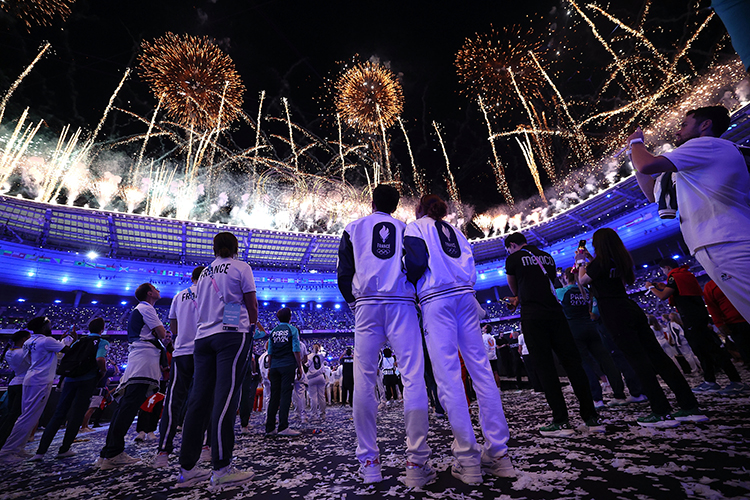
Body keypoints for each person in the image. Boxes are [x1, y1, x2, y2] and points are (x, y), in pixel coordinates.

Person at [405, 193, 513, 485]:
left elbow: (415, 262)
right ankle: (500, 455)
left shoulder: (416, 227)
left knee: (449, 377)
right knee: (482, 372)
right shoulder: (456, 231)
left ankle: (468, 460)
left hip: (436, 300)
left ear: (419, 210)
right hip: (466, 297)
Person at [338, 184, 435, 488]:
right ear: (396, 206)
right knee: (413, 378)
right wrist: (404, 279)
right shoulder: (406, 228)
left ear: (372, 202)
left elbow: (343, 273)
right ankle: (416, 463)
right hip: (401, 304)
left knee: (364, 381)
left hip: (366, 305)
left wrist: (355, 301)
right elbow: (420, 262)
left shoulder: (353, 228)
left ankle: (369, 463)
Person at [629, 106, 750, 323]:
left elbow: (647, 165)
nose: (678, 132)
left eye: (684, 125)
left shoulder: (707, 144)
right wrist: (634, 155)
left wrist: (636, 143)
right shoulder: (694, 165)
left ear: (706, 125)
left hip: (726, 241)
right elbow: (651, 191)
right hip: (721, 242)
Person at [577, 228, 706, 427]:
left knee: (638, 362)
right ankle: (688, 404)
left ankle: (660, 410)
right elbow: (603, 272)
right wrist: (590, 258)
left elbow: (583, 280)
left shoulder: (599, 263)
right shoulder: (618, 259)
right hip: (629, 307)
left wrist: (580, 261)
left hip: (613, 311)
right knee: (658, 357)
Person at [178, 232, 258, 488]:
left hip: (203, 338)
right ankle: (222, 467)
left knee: (198, 400)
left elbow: (202, 307)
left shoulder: (204, 274)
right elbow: (251, 303)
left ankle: (187, 468)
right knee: (226, 397)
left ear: (214, 248)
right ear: (235, 247)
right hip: (231, 336)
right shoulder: (241, 267)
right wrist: (252, 324)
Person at [503, 232, 601, 437]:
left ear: (512, 245)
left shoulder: (512, 258)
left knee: (545, 367)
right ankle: (591, 417)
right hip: (556, 314)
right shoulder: (547, 256)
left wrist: (517, 297)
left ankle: (561, 420)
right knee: (573, 364)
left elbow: (515, 290)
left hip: (533, 315)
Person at [645, 258, 745, 394]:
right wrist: (664, 286)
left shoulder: (674, 276)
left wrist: (650, 288)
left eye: (663, 270)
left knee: (709, 349)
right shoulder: (685, 274)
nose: (663, 273)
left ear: (667, 267)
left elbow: (663, 296)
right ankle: (711, 380)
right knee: (703, 350)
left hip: (691, 318)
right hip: (698, 316)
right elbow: (679, 291)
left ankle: (734, 380)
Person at [98, 283, 167, 470]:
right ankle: (113, 452)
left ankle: (107, 452)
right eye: (155, 288)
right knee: (129, 407)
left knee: (125, 407)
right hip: (144, 358)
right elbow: (162, 334)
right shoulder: (146, 308)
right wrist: (166, 335)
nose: (159, 290)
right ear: (149, 293)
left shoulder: (141, 309)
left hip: (139, 357)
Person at [31, 317, 110, 461]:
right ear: (102, 329)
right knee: (76, 415)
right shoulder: (101, 342)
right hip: (87, 380)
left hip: (70, 379)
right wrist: (103, 371)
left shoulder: (79, 341)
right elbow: (100, 359)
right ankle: (64, 449)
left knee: (58, 414)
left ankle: (40, 451)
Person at [154, 266, 205, 468]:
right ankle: (204, 450)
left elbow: (173, 329)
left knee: (174, 401)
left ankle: (163, 452)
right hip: (203, 352)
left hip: (182, 352)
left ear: (192, 278)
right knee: (202, 402)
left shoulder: (178, 296)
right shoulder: (213, 293)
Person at [556, 267, 628, 407]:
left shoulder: (561, 292)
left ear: (565, 277)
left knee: (585, 364)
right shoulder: (585, 290)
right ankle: (619, 394)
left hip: (574, 329)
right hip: (591, 327)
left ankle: (597, 399)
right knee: (606, 361)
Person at [0, 317, 68, 462]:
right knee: (28, 417)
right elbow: (67, 350)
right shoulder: (47, 340)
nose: (51, 326)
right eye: (49, 324)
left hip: (30, 378)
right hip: (41, 380)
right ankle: (8, 451)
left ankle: (18, 448)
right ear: (44, 327)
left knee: (28, 416)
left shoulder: (29, 341)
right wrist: (70, 340)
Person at [265, 307, 304, 437]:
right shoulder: (292, 330)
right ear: (290, 317)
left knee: (274, 397)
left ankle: (270, 427)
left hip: (275, 366)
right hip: (287, 366)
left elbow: (269, 352)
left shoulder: (273, 331)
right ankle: (283, 426)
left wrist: (270, 368)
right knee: (285, 396)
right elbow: (296, 349)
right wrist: (299, 367)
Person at [704, 279, 750, 367]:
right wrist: (719, 324)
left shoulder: (735, 275)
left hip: (744, 316)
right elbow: (712, 308)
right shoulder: (710, 286)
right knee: (745, 350)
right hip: (734, 323)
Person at [0, 330, 31, 448]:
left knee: (10, 415)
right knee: (17, 416)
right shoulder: (23, 352)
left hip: (14, 383)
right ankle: (7, 441)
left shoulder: (9, 352)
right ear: (24, 339)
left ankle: (4, 438)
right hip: (23, 384)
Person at [306, 343, 327, 420]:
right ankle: (323, 414)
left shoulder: (309, 356)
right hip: (320, 376)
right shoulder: (321, 356)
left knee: (313, 397)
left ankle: (314, 415)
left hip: (312, 377)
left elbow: (306, 365)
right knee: (322, 396)